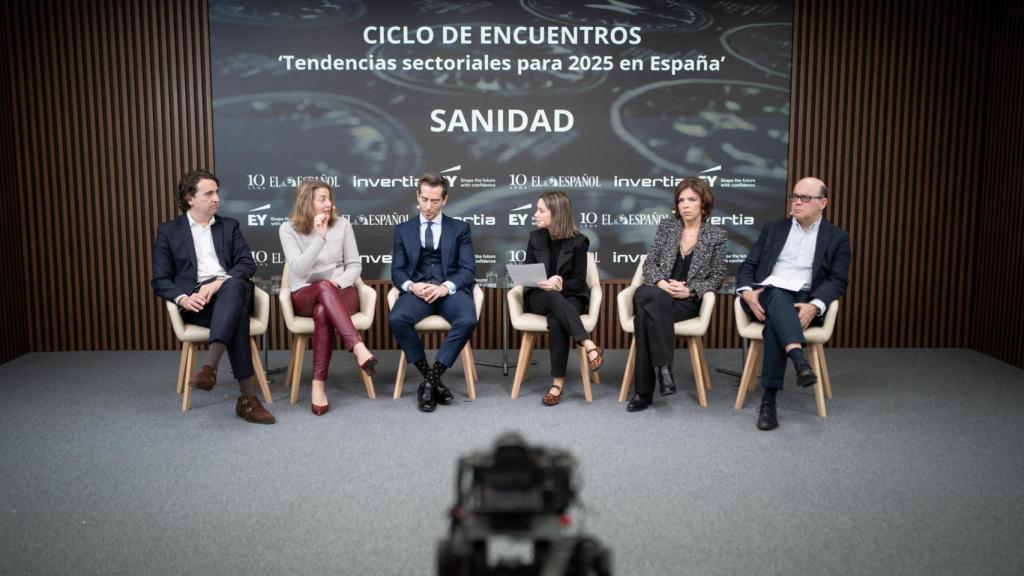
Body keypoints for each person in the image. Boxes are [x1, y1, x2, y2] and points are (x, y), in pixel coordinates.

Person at [152, 169, 275, 424]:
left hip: (229, 288)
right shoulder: (169, 232)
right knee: (237, 312)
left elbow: (247, 264)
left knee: (233, 287)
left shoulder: (229, 226)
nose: (216, 198)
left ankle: (209, 368)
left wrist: (219, 281)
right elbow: (160, 280)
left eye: (217, 192)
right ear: (190, 198)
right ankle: (247, 399)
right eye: (209, 193)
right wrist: (183, 299)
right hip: (198, 303)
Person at [736, 177, 851, 431]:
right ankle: (799, 360)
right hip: (765, 296)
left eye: (805, 198)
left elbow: (838, 280)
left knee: (777, 322)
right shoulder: (774, 229)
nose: (797, 202)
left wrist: (815, 306)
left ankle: (769, 402)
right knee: (777, 295)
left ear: (823, 203)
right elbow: (748, 267)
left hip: (804, 300)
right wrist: (747, 293)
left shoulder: (837, 237)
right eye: (794, 197)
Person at [626, 177, 728, 412]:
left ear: (703, 204)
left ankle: (643, 393)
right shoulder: (667, 226)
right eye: (681, 200)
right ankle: (664, 368)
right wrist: (661, 282)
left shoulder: (716, 236)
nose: (685, 205)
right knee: (653, 298)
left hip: (684, 302)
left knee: (644, 318)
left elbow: (716, 278)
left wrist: (690, 290)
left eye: (691, 199)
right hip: (654, 292)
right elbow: (649, 265)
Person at [279, 180, 378, 416]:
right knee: (322, 289)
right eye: (322, 199)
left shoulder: (342, 225)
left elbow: (354, 265)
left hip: (341, 292)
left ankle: (318, 385)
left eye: (329, 198)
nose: (328, 204)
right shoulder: (288, 228)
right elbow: (300, 271)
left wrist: (337, 283)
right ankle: (357, 347)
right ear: (307, 202)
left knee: (324, 308)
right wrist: (319, 238)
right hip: (305, 294)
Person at [389, 172, 479, 412]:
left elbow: (468, 270)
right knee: (397, 319)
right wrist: (412, 286)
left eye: (435, 201)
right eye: (424, 199)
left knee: (468, 319)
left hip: (448, 290)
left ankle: (430, 381)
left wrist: (444, 288)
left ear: (445, 200)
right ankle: (430, 378)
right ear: (417, 196)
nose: (428, 206)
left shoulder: (460, 229)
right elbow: (397, 271)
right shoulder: (403, 230)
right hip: (418, 292)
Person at [521, 191, 603, 406]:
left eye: (541, 210)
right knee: (550, 297)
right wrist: (545, 283)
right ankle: (588, 343)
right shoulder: (535, 237)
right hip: (538, 296)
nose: (535, 213)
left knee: (557, 318)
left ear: (556, 214)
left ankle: (557, 383)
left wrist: (561, 284)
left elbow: (578, 282)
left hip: (569, 296)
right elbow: (527, 275)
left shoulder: (579, 241)